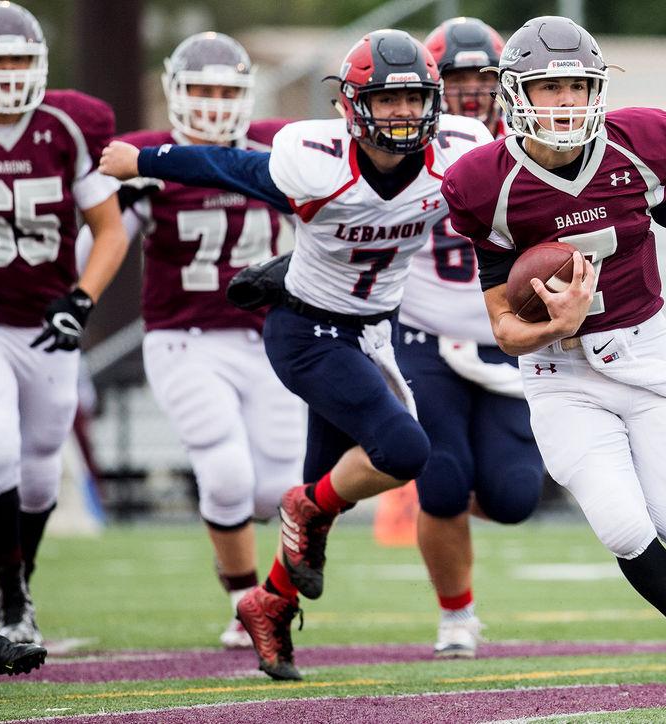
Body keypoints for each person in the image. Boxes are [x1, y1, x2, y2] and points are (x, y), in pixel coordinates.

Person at [100, 29, 491, 679]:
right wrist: (145, 161)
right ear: (350, 105)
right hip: (306, 333)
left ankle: (267, 605)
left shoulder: (461, 152)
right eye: (385, 101)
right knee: (404, 452)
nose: (400, 114)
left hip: (371, 333)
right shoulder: (314, 159)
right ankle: (301, 511)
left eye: (414, 99)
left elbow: (515, 192)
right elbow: (230, 167)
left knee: (320, 510)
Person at [441, 15, 666, 707]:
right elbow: (504, 329)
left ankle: (651, 478)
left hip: (646, 355)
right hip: (561, 376)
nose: (567, 100)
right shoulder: (487, 183)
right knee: (623, 526)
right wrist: (552, 329)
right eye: (550, 88)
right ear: (516, 95)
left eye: (578, 84)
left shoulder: (639, 146)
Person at [76, 32, 306, 649]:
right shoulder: (146, 156)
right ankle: (244, 604)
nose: (211, 104)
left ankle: (262, 590)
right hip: (186, 336)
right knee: (226, 472)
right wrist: (73, 297)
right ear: (175, 94)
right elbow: (101, 237)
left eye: (224, 91)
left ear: (247, 94)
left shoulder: (277, 148)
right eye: (199, 90)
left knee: (275, 492)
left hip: (271, 341)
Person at [382, 16, 544, 658]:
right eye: (457, 78)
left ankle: (446, 498)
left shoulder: (537, 146)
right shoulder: (406, 148)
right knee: (443, 481)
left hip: (510, 338)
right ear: (431, 85)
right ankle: (456, 613)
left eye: (484, 78)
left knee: (512, 497)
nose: (472, 92)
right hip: (426, 331)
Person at [0, 1, 128, 645]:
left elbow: (109, 231)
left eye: (19, 59)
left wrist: (80, 300)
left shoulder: (67, 128)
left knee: (43, 464)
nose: (9, 73)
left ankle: (19, 583)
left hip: (46, 322)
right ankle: (13, 597)